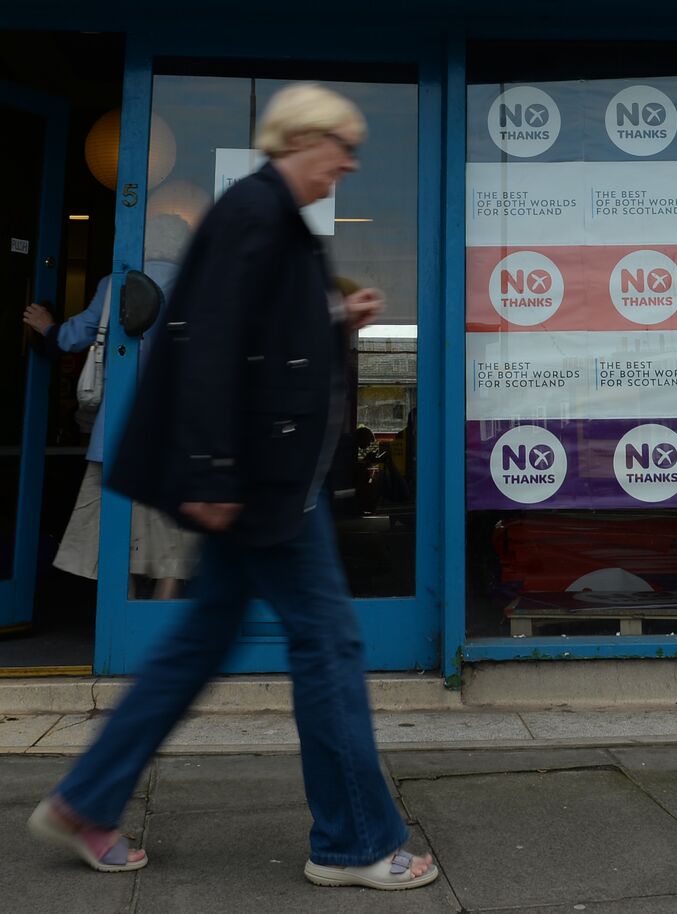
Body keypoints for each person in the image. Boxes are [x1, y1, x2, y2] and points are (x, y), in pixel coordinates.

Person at [26, 83, 438, 891]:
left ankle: (87, 800)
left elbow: (259, 341)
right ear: (300, 140)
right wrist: (215, 470)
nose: (348, 164)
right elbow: (205, 340)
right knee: (329, 645)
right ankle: (354, 840)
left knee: (198, 643)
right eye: (340, 147)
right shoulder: (257, 214)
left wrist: (332, 323)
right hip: (262, 483)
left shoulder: (271, 219)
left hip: (264, 475)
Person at [22, 214, 200, 599]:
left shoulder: (114, 285)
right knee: (173, 532)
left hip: (118, 431)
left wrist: (47, 327)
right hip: (178, 429)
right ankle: (159, 614)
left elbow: (74, 337)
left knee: (114, 526)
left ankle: (126, 615)